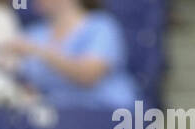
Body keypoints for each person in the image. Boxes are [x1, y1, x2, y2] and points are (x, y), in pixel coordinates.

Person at [7, 0, 137, 110]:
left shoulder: (101, 26)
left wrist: (39, 51)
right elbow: (26, 83)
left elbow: (88, 76)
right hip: (57, 121)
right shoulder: (34, 33)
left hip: (109, 116)